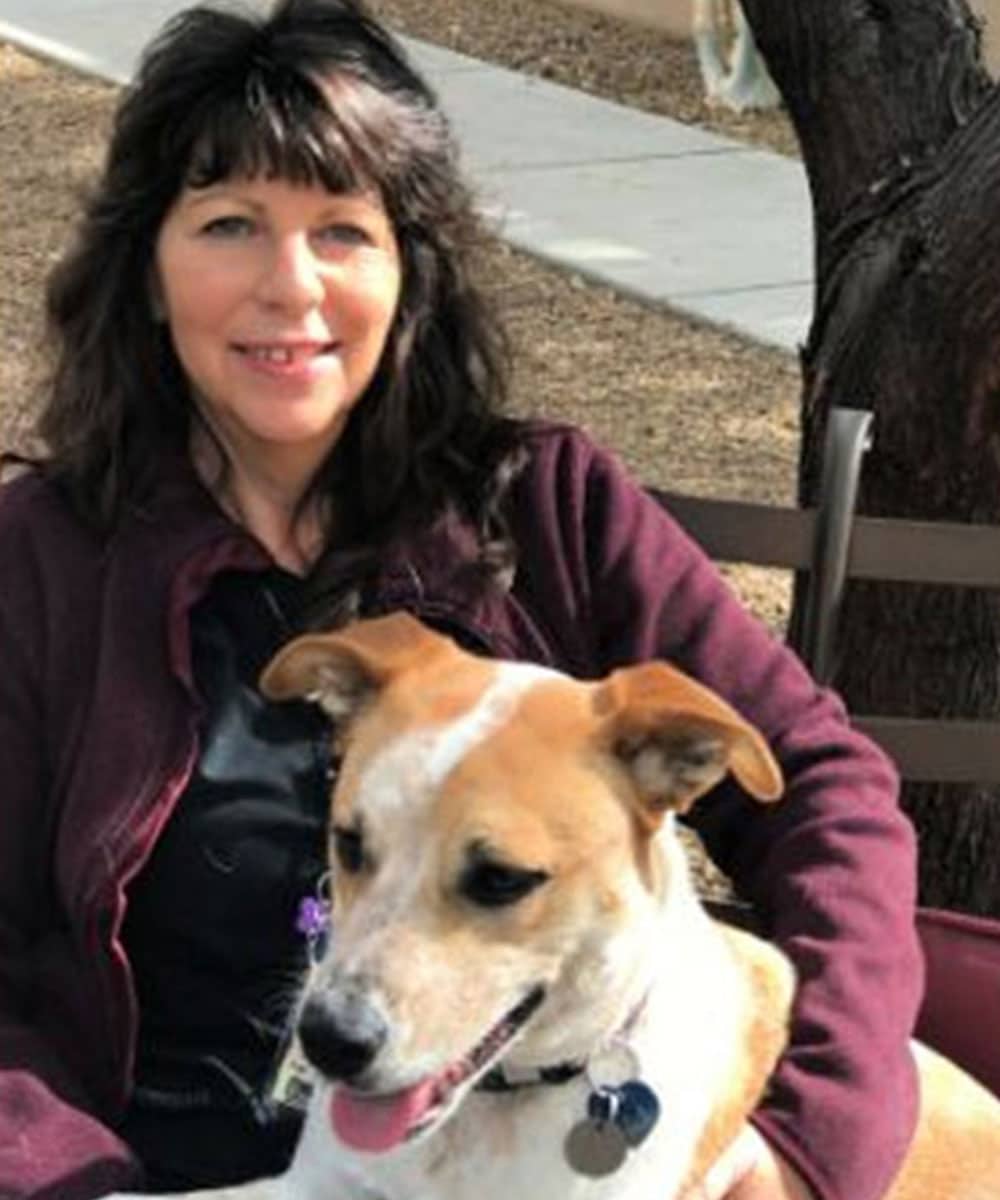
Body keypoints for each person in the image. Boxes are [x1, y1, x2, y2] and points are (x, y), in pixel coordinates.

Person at [0, 2, 922, 1198]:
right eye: (229, 224)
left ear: (408, 268)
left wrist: (809, 1137)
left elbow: (826, 794)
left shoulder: (545, 504)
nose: (292, 288)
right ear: (145, 262)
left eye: (342, 231)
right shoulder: (39, 562)